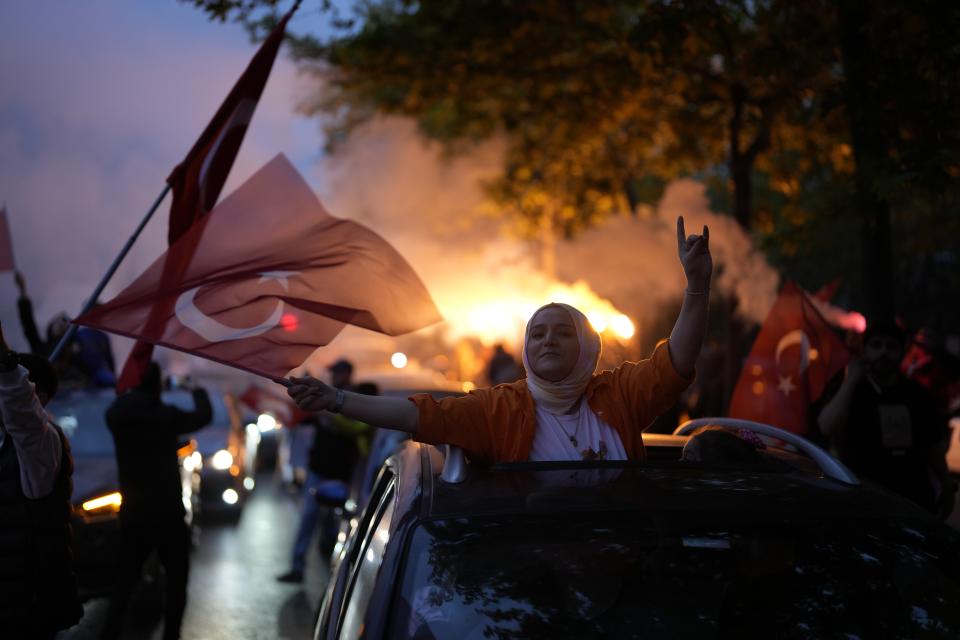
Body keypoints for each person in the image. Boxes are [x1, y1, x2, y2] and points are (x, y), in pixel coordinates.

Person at [284, 216, 711, 463]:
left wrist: (696, 286)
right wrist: (335, 400)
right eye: (537, 334)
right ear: (524, 349)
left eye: (564, 333)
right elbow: (415, 417)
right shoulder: (497, 409)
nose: (548, 341)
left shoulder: (621, 394)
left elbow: (675, 363)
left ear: (588, 349)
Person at [102, 362, 213, 640]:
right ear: (158, 384)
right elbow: (204, 415)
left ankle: (109, 634)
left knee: (124, 584)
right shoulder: (166, 415)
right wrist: (195, 389)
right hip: (168, 515)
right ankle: (171, 635)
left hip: (134, 514)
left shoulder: (117, 415)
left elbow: (114, 410)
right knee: (176, 583)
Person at [816, 321, 956, 516]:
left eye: (891, 346)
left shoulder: (917, 395)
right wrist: (850, 381)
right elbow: (825, 426)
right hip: (862, 497)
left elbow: (932, 448)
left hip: (912, 499)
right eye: (876, 345)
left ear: (902, 351)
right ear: (865, 350)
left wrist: (946, 485)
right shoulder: (851, 389)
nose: (883, 352)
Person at [0, 320, 83, 639]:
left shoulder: (43, 444)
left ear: (40, 398)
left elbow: (21, 411)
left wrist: (6, 362)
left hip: (25, 608)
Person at [277, 368, 375, 583]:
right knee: (308, 519)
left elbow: (357, 429)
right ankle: (298, 568)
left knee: (334, 525)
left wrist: (329, 413)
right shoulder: (327, 399)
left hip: (340, 475)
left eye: (340, 373)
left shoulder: (352, 401)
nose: (336, 377)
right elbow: (302, 420)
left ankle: (335, 576)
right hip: (319, 470)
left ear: (348, 374)